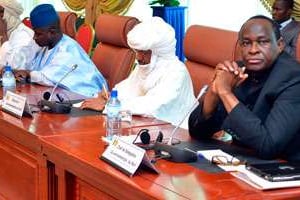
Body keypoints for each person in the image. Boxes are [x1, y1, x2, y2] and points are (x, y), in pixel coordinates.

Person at [188, 15, 300, 161]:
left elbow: (268, 146)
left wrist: (226, 93)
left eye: (263, 42)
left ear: (279, 45)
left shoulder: (293, 78)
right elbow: (197, 132)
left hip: (285, 169)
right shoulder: (240, 72)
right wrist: (214, 92)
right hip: (242, 160)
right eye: (246, 43)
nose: (253, 50)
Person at [81, 17, 196, 128]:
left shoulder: (176, 72)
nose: (138, 57)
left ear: (158, 52)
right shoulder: (147, 65)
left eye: (144, 52)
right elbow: (129, 88)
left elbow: (153, 106)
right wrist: (110, 97)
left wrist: (109, 106)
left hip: (175, 133)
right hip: (144, 126)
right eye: (137, 51)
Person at [14, 4, 107, 97]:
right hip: (62, 97)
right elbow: (28, 64)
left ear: (52, 32)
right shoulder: (46, 46)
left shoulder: (68, 50)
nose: (34, 37)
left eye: (38, 34)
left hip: (87, 99)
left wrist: (27, 74)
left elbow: (47, 78)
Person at [0, 0, 40, 70]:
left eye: (1, 12)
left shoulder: (24, 35)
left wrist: (4, 35)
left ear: (9, 14)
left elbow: (13, 67)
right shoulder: (10, 32)